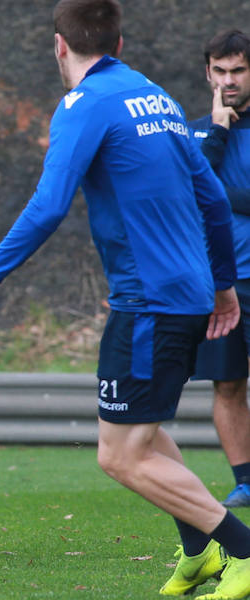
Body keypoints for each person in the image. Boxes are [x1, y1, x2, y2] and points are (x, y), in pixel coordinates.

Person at [0, 1, 250, 597]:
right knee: (143, 431)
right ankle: (199, 556)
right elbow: (212, 198)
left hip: (147, 303)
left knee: (120, 456)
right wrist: (221, 285)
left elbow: (49, 206)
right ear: (118, 39)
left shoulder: (83, 106)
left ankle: (240, 549)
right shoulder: (155, 97)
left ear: (60, 46)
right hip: (182, 295)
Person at [191, 29, 250, 509]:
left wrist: (221, 196)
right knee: (228, 383)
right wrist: (219, 131)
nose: (228, 80)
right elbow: (189, 194)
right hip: (220, 285)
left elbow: (207, 193)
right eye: (220, 70)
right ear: (207, 73)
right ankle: (245, 481)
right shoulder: (197, 133)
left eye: (238, 70)